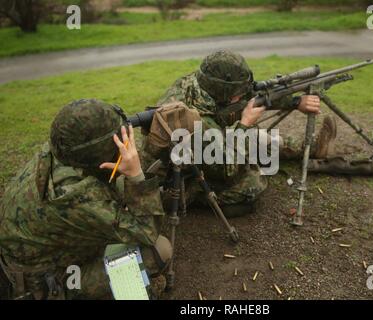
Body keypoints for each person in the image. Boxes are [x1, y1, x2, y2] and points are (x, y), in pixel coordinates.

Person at [0, 99, 172, 300]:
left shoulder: (62, 151)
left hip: (27, 258)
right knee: (159, 249)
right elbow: (147, 231)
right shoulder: (79, 196)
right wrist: (136, 175)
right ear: (101, 154)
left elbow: (108, 183)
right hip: (45, 284)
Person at [141, 50, 337, 218]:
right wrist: (244, 124)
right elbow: (227, 169)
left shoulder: (201, 84)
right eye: (237, 92)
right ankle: (197, 197)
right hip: (176, 178)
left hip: (203, 150)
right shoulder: (193, 120)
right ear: (224, 92)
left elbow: (250, 96)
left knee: (254, 139)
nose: (240, 95)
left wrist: (295, 102)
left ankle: (308, 148)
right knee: (252, 184)